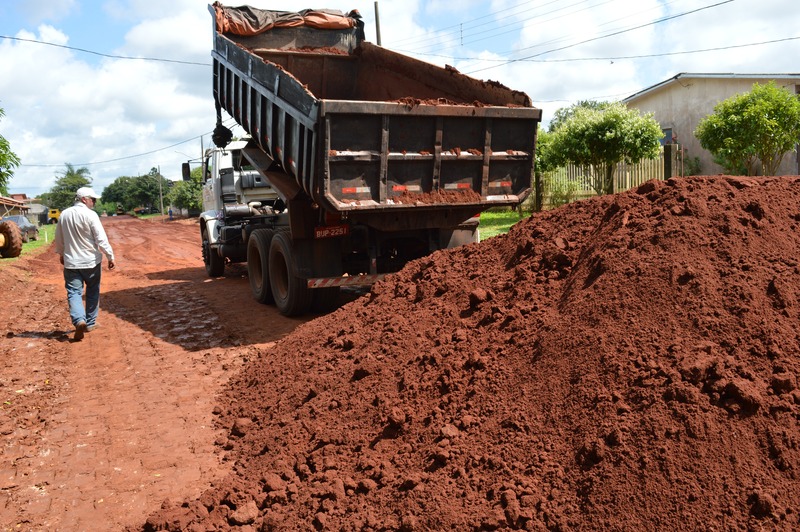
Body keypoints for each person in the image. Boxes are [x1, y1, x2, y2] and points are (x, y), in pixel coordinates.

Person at [54, 186, 116, 341]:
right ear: (84, 199)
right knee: (93, 290)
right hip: (91, 262)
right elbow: (100, 238)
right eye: (92, 199)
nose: (94, 202)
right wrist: (110, 256)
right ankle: (89, 323)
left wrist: (61, 254)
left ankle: (78, 320)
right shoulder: (91, 215)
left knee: (74, 292)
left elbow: (59, 238)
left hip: (71, 263)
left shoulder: (64, 215)